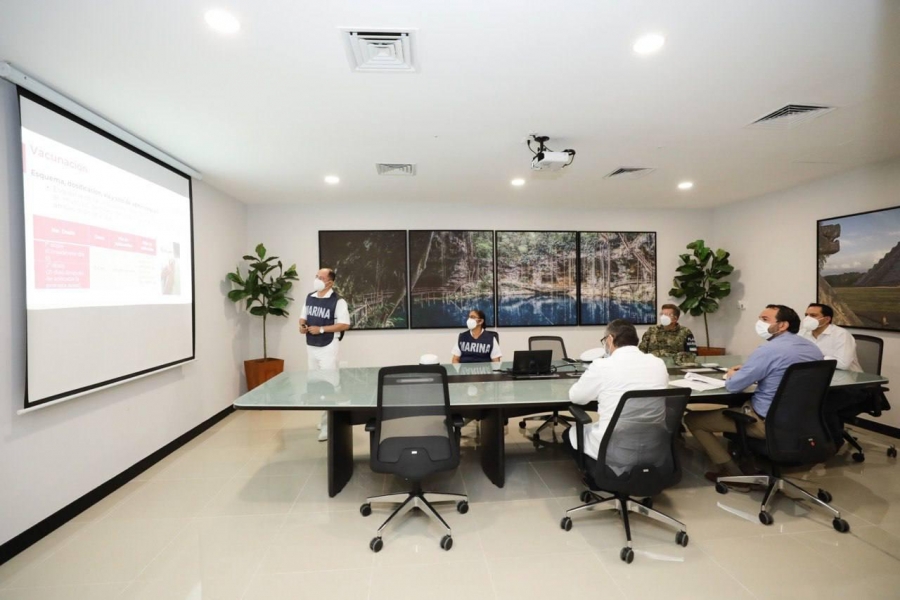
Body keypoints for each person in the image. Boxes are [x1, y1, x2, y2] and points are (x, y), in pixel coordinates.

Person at [684, 304, 823, 483]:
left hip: (766, 422)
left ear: (783, 325)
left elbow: (734, 386)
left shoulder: (768, 350)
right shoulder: (812, 348)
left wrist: (733, 374)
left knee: (693, 420)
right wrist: (753, 370)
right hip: (804, 420)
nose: (759, 323)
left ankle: (732, 473)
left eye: (765, 319)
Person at [564, 319, 670, 461]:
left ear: (610, 339)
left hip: (614, 447)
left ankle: (595, 470)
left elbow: (576, 397)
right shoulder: (658, 363)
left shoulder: (602, 365)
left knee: (569, 434)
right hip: (654, 444)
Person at [299, 268, 350, 441]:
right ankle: (324, 418)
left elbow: (344, 324)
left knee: (329, 384)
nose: (317, 279)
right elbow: (303, 316)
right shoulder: (310, 297)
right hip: (311, 345)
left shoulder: (338, 301)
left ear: (330, 282)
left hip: (328, 346)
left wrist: (321, 329)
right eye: (316, 276)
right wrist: (302, 326)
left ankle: (329, 426)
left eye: (321, 277)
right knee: (315, 383)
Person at [799, 303, 862, 372]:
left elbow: (843, 364)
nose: (807, 318)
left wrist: (816, 356)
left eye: (813, 315)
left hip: (846, 375)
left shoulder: (841, 334)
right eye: (806, 315)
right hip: (815, 373)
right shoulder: (802, 333)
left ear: (827, 319)